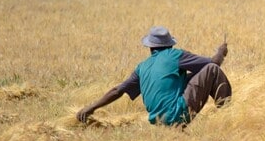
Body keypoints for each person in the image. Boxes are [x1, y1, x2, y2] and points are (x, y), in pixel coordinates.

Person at [77, 26, 232, 126]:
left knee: (189, 77)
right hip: (177, 113)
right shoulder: (175, 55)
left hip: (157, 120)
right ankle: (227, 115)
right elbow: (214, 63)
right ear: (171, 44)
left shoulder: (142, 67)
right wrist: (221, 51)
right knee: (211, 69)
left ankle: (175, 130)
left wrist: (91, 107)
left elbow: (117, 91)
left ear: (150, 47)